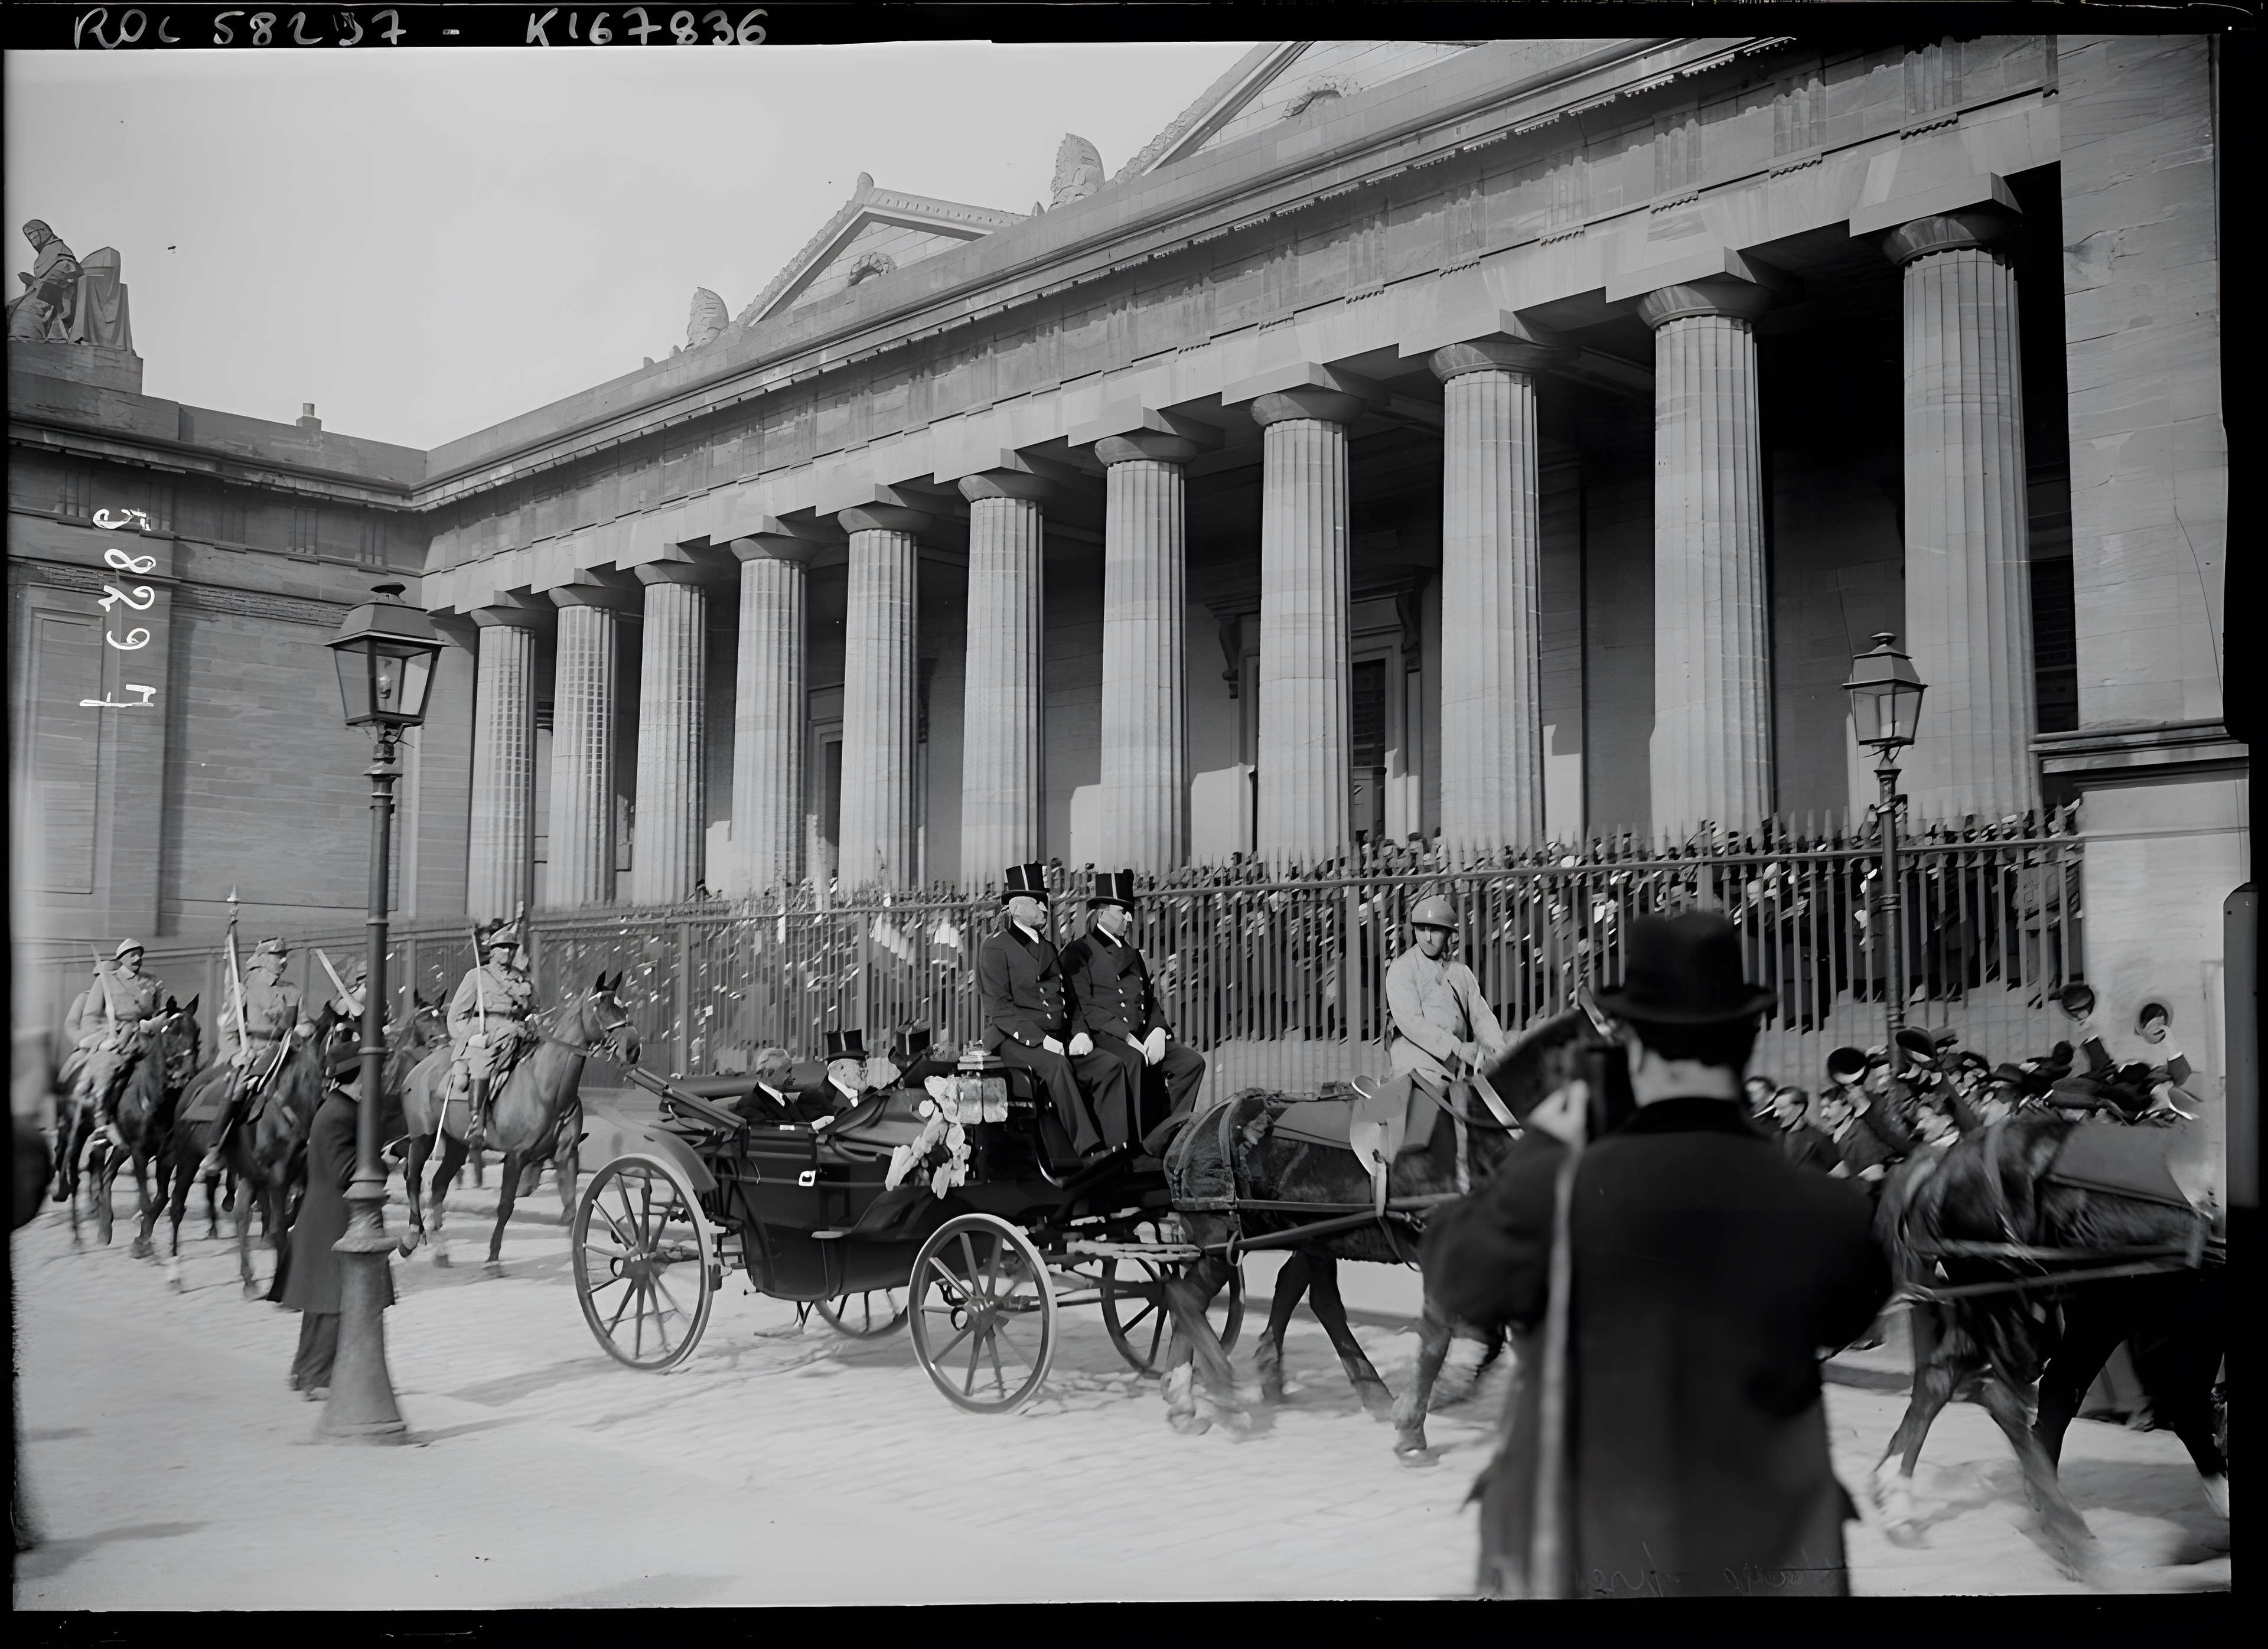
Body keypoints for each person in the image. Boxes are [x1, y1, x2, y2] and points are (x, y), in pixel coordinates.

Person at [1425, 911, 1892, 1598]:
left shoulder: (1558, 1191)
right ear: (1747, 1043)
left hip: (1596, 1558)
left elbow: (1456, 1269)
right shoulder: (1825, 1212)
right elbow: (1858, 1308)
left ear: (1633, 1047)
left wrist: (1556, 1134)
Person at [974, 862, 1130, 1160]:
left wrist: (1081, 1032)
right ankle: (1088, 1151)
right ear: (1017, 908)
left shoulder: (1046, 945)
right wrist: (1041, 1040)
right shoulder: (994, 947)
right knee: (1056, 1066)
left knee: (1109, 1065)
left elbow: (1069, 1000)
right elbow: (1000, 1008)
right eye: (1039, 901)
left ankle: (1118, 1149)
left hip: (1056, 1037)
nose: (1046, 908)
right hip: (1014, 1040)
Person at [1058, 868, 1208, 1156]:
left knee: (1192, 1063)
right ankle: (1138, 1150)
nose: (1129, 917)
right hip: (1104, 1036)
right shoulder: (1077, 952)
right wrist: (1126, 1037)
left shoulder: (1132, 953)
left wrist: (1158, 1031)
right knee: (1134, 1059)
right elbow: (1084, 1006)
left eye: (1130, 911)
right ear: (1101, 914)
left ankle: (1172, 1136)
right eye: (1122, 911)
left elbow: (1150, 1000)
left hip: (1140, 1033)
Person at [281, 1046, 392, 1400]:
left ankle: (305, 1372)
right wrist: (381, 1161)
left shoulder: (339, 1109)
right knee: (332, 1302)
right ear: (356, 1078)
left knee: (322, 1304)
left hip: (325, 1216)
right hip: (333, 1218)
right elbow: (348, 1172)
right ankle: (317, 1379)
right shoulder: (339, 1115)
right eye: (367, 1076)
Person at [200, 937, 311, 1177]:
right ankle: (217, 1146)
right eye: (277, 956)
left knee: (311, 1086)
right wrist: (235, 1055)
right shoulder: (243, 990)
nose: (283, 961)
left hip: (286, 1052)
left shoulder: (292, 991)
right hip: (252, 1052)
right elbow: (227, 1033)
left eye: (284, 956)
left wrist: (306, 1028)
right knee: (238, 1090)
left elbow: (303, 1021)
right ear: (262, 960)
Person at [1384, 895, 1507, 1090]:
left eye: (1435, 930)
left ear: (1449, 933)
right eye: (1421, 929)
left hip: (1455, 1067)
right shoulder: (1402, 968)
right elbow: (1411, 1022)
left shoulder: (1461, 973)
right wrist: (1457, 1048)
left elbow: (1482, 1017)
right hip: (1415, 1062)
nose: (1428, 937)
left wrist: (1497, 1051)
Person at [62, 940, 165, 1159]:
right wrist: (101, 1042)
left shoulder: (150, 982)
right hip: (115, 1039)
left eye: (140, 954)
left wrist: (157, 1022)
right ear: (122, 958)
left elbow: (154, 1012)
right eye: (132, 955)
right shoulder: (106, 982)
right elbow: (88, 1020)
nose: (137, 959)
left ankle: (162, 1125)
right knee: (106, 1067)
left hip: (144, 1038)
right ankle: (101, 1122)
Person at [445, 920, 535, 1145]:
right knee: (483, 1062)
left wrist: (533, 1019)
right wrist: (465, 1039)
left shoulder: (520, 979)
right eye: (504, 947)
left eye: (512, 948)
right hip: (487, 1033)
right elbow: (455, 1015)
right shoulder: (477, 976)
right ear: (493, 951)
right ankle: (477, 1122)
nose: (509, 951)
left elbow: (532, 1009)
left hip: (517, 1030)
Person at [1768, 1086, 1843, 1175]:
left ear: (1800, 1108)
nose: (1776, 1115)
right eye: (1776, 1109)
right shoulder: (1773, 1139)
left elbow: (1842, 1176)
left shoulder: (1818, 1138)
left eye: (1782, 1108)